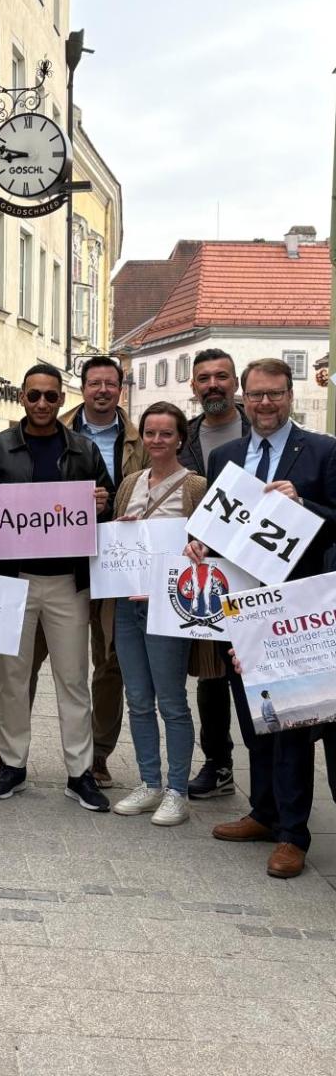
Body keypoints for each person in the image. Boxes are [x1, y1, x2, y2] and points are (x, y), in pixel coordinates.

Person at [0, 355, 148, 787]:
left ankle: (80, 771)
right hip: (14, 582)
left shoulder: (83, 449)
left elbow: (108, 502)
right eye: (34, 395)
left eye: (51, 395)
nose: (43, 402)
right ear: (22, 397)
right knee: (12, 679)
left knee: (72, 680)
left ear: (60, 398)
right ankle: (13, 763)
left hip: (70, 582)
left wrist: (102, 506)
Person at [187, 358, 336, 876]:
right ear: (242, 400)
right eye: (257, 395)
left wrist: (306, 503)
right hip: (239, 609)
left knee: (288, 721)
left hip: (294, 611)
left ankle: (294, 834)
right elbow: (218, 523)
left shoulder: (321, 450)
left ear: (290, 396)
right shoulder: (227, 455)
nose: (266, 403)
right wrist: (198, 542)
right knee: (253, 720)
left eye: (275, 394)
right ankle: (265, 812)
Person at [112, 401, 206, 827]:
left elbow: (208, 547)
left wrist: (197, 548)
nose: (157, 440)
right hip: (127, 605)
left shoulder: (196, 486)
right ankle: (149, 782)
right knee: (137, 699)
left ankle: (177, 790)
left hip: (168, 608)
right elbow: (114, 539)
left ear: (180, 439)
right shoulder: (130, 481)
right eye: (150, 432)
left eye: (166, 433)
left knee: (171, 702)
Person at [179, 349, 250, 801]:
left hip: (253, 570)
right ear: (193, 387)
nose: (212, 385)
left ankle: (271, 764)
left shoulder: (256, 431)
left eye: (221, 376)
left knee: (255, 667)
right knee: (212, 673)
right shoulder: (182, 437)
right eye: (203, 378)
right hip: (199, 568)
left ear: (235, 382)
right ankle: (219, 762)